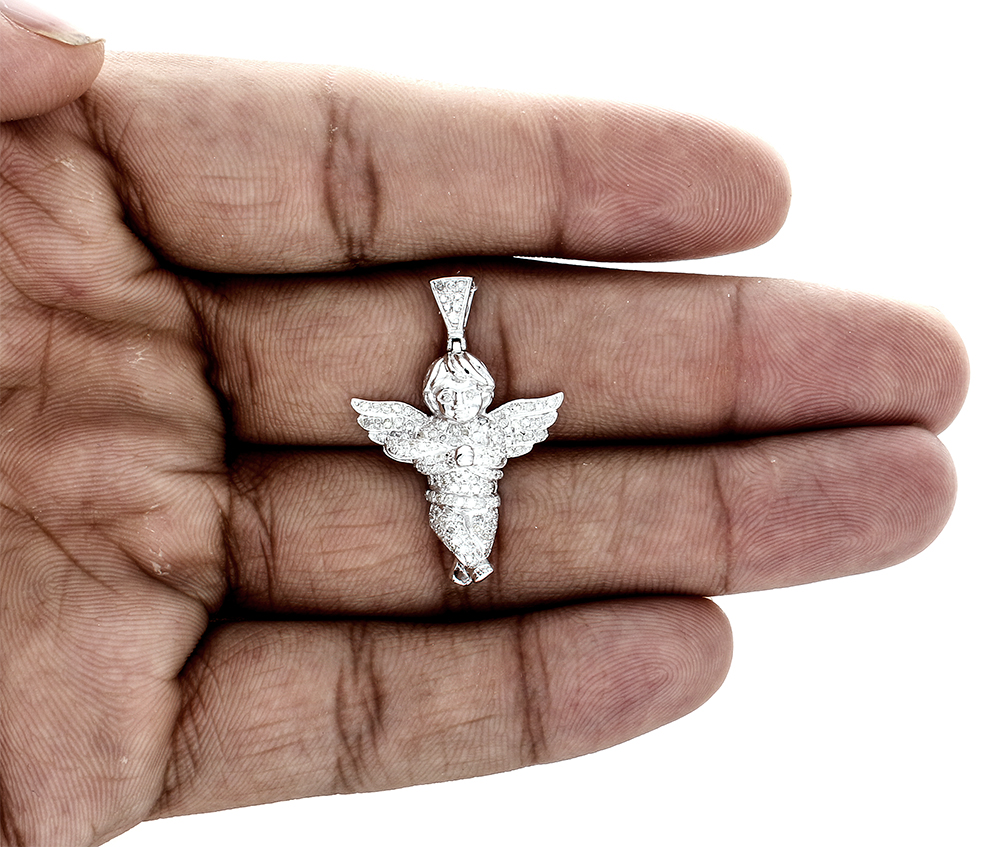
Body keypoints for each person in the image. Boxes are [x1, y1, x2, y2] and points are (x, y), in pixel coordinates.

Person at [0, 3, 969, 846]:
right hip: (455, 491)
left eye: (467, 393)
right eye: (454, 391)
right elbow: (414, 425)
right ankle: (467, 543)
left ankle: (468, 542)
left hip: (470, 491)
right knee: (465, 527)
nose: (462, 400)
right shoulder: (447, 428)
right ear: (446, 396)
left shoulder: (477, 425)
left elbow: (475, 423)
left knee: (472, 529)